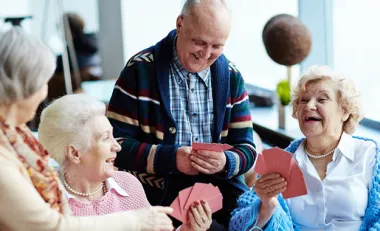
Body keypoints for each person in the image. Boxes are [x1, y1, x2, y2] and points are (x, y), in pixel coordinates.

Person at [0, 27, 174, 231]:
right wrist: (136, 221)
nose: (44, 92)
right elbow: (51, 227)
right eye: (44, 82)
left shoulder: (14, 136)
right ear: (24, 87)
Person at [106, 0, 256, 228]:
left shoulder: (232, 76)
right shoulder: (139, 70)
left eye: (217, 46)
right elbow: (113, 147)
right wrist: (172, 159)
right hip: (155, 203)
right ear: (179, 24)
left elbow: (248, 149)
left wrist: (226, 161)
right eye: (199, 42)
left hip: (222, 202)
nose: (206, 54)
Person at [229, 65, 380, 231]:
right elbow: (238, 225)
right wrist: (266, 207)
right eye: (304, 100)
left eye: (322, 100)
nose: (309, 106)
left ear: (344, 111)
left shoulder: (370, 155)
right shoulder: (281, 163)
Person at [38, 94, 212, 231]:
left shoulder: (128, 185)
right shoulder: (48, 204)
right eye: (106, 138)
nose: (117, 147)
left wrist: (187, 229)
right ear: (75, 153)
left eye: (113, 135)